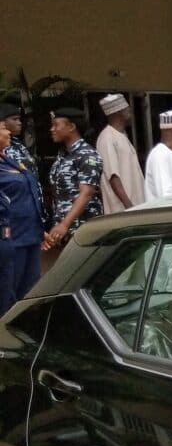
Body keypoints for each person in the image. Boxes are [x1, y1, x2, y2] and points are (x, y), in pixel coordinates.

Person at [42, 107, 103, 255]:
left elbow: (86, 193)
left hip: (83, 228)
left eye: (56, 125)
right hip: (65, 230)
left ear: (71, 127)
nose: (52, 129)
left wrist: (64, 224)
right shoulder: (63, 155)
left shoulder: (87, 155)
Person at [0, 121, 45, 309]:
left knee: (30, 295)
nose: (7, 131)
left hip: (31, 235)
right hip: (12, 238)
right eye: (2, 128)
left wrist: (40, 227)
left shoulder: (8, 159)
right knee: (8, 296)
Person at [95, 93, 144, 213]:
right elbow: (113, 176)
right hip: (123, 211)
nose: (131, 113)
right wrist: (129, 206)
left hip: (136, 207)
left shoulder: (121, 135)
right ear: (119, 112)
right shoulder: (107, 138)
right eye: (128, 110)